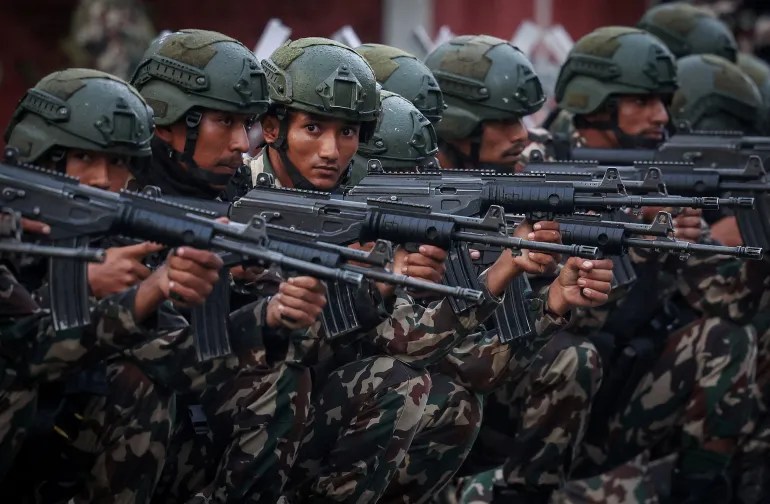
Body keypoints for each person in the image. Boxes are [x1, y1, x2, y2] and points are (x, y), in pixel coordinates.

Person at [1, 68, 224, 503]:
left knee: (138, 382)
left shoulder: (110, 241)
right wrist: (96, 286)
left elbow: (179, 357)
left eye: (119, 162)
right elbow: (26, 349)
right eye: (84, 157)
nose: (102, 179)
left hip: (49, 441)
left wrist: (268, 318)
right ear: (39, 154)